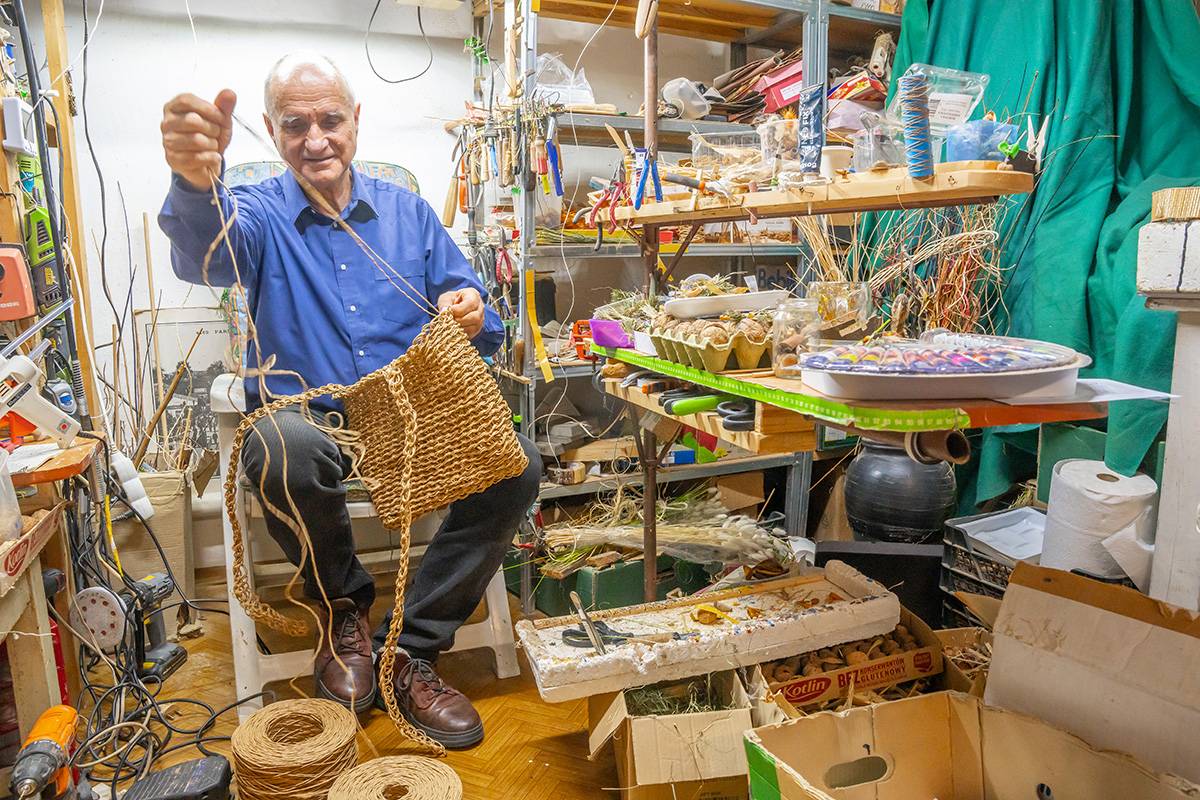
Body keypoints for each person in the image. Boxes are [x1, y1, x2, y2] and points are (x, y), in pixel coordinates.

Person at [158, 53, 541, 749]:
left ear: (356, 120)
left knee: (518, 463)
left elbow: (478, 313)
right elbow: (205, 256)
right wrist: (194, 183)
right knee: (285, 448)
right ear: (271, 129)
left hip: (408, 414)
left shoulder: (409, 214)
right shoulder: (257, 212)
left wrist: (472, 309)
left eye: (330, 120)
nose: (316, 140)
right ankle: (343, 611)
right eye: (294, 125)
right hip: (306, 412)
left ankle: (411, 648)